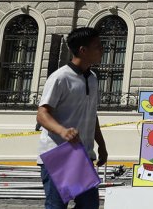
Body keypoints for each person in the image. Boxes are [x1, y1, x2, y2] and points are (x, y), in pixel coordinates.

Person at [36, 27, 107, 209]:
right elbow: (42, 114)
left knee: (89, 205)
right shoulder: (60, 78)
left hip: (81, 154)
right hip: (58, 153)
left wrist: (102, 145)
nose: (102, 50)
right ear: (83, 50)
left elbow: (91, 114)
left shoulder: (92, 78)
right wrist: (63, 131)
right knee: (57, 206)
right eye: (98, 46)